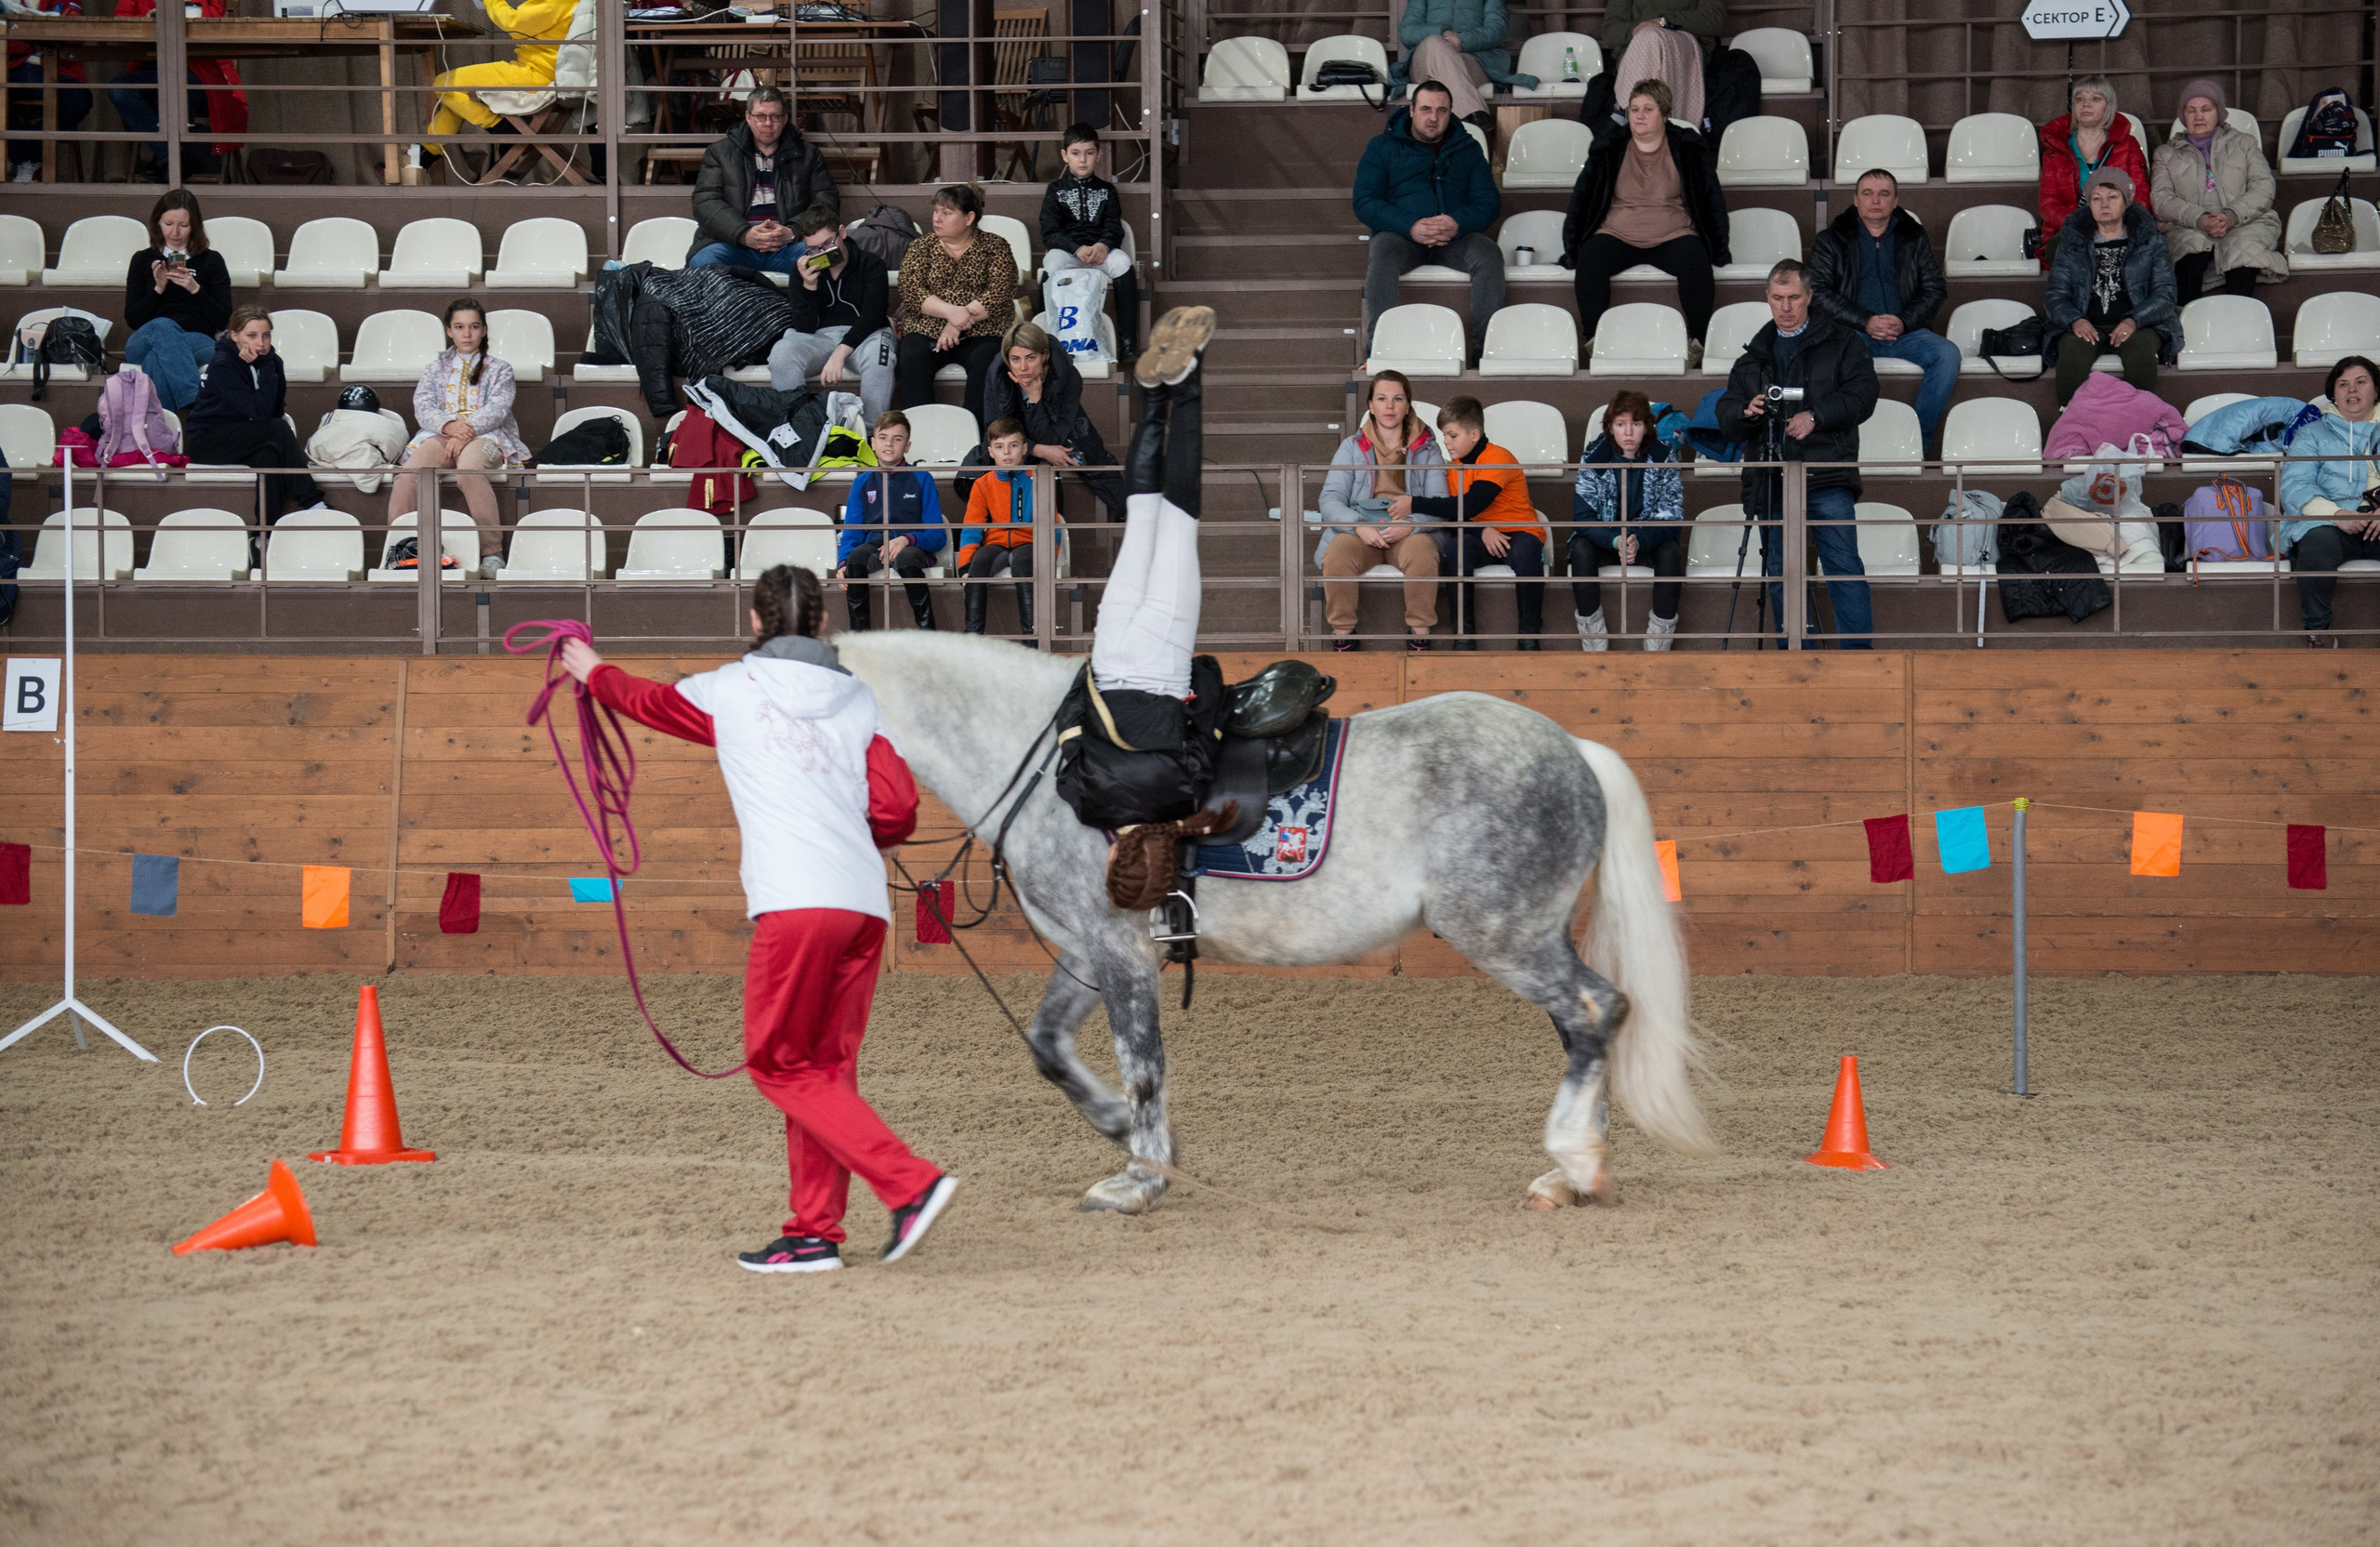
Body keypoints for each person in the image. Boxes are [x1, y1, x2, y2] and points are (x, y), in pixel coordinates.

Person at [556, 566, 959, 1275]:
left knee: (780, 1065)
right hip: (862, 906)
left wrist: (592, 671)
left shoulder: (727, 691)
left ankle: (909, 1183)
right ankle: (813, 1234)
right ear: (822, 624)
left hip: (796, 903)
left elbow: (649, 703)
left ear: (754, 621)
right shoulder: (863, 702)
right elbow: (897, 812)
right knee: (824, 1072)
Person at [1713, 259, 1879, 649]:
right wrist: (1745, 411)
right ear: (1767, 299)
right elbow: (1726, 414)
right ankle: (1798, 658)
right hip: (1770, 478)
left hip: (1827, 473)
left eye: (1793, 298)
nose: (1785, 307)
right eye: (1777, 298)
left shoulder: (1844, 342)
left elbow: (1864, 395)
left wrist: (1816, 416)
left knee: (1844, 567)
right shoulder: (1752, 356)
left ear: (1809, 297)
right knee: (1779, 570)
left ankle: (1861, 661)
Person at [1563, 78, 1729, 353]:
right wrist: (1572, 245)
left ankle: (1699, 341)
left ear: (1664, 114)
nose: (1639, 115)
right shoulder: (1609, 147)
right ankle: (1594, 338)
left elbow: (1712, 199)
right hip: (1617, 233)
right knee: (1590, 257)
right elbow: (1582, 197)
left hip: (1673, 233)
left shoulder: (1687, 147)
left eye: (1648, 109)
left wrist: (1720, 247)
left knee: (1696, 259)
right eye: (1634, 109)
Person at [1807, 168, 1957, 456]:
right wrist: (1866, 321)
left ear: (1895, 200)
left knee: (1947, 355)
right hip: (1852, 333)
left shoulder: (1913, 237)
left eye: (1883, 194)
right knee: (1830, 359)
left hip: (1905, 332)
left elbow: (1935, 289)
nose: (1875, 200)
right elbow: (1819, 294)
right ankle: (1845, 447)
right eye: (1867, 193)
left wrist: (1903, 322)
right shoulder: (1832, 239)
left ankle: (1918, 444)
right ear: (1855, 200)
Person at [1353, 80, 1503, 365]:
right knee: (1382, 250)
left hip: (1455, 240)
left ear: (1450, 113)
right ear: (1411, 110)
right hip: (1402, 238)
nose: (1433, 117)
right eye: (1425, 109)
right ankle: (1379, 346)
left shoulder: (1469, 149)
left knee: (1488, 253)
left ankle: (1484, 348)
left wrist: (1457, 223)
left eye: (1441, 110)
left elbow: (1489, 203)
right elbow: (1364, 202)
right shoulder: (1382, 147)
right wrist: (1411, 225)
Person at [1384, 396, 1545, 650]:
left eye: (1452, 435)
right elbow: (1452, 514)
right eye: (1444, 436)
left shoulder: (1498, 457)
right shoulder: (1454, 468)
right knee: (1456, 550)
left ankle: (1529, 636)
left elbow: (1471, 505)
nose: (1446, 442)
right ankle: (1463, 636)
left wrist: (1414, 504)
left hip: (1519, 531)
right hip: (1478, 534)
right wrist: (1483, 530)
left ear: (1474, 434)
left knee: (1528, 552)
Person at [388, 297, 529, 578]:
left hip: (486, 434)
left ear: (484, 330)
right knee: (408, 476)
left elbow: (497, 410)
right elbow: (424, 408)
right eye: (460, 327)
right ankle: (396, 550)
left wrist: (466, 431)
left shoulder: (500, 368)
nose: (467, 333)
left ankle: (492, 552)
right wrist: (451, 427)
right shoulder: (434, 368)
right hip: (442, 433)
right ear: (449, 331)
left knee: (469, 469)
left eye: (474, 327)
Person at [1317, 370, 1448, 651]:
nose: (1389, 406)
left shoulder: (1428, 449)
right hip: (1363, 532)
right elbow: (1330, 500)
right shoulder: (1351, 447)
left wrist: (1410, 524)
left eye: (1397, 399)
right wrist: (1358, 526)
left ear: (1407, 406)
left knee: (1422, 553)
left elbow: (1440, 503)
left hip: (1409, 531)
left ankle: (1420, 634)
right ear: (1371, 406)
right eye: (1382, 399)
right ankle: (1343, 636)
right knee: (1338, 553)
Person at [184, 306, 328, 530]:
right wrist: (264, 369)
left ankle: (264, 534)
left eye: (266, 335)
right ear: (234, 336)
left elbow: (274, 410)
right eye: (251, 336)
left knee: (268, 456)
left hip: (244, 435)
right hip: (208, 440)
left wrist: (265, 368)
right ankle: (313, 502)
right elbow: (261, 414)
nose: (260, 343)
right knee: (278, 429)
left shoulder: (272, 361)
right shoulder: (223, 364)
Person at [2044, 166, 2179, 406]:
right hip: (2086, 322)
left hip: (2138, 323)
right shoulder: (2072, 242)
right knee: (2072, 356)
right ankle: (2073, 423)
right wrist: (2076, 320)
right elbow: (2056, 296)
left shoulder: (2150, 241)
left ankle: (2136, 423)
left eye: (2112, 197)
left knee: (2140, 355)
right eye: (2096, 199)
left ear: (2126, 202)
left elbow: (2165, 295)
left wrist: (2133, 320)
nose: (2104, 205)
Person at [1570, 390, 1686, 651]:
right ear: (1610, 428)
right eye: (1621, 424)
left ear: (1647, 426)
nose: (1629, 432)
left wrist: (1639, 541)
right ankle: (1593, 639)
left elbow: (1672, 515)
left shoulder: (1662, 456)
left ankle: (1659, 641)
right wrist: (1615, 539)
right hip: (1606, 540)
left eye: (1636, 423)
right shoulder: (1594, 457)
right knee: (1580, 548)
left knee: (1670, 552)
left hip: (1644, 542)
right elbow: (1582, 517)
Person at [2278, 356, 2380, 647]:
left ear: (2375, 389)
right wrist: (2337, 513)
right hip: (2330, 519)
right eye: (2343, 385)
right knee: (2315, 548)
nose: (2352, 391)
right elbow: (2295, 485)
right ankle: (2319, 634)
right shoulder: (2312, 434)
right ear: (2333, 393)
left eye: (2361, 382)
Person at [893, 183, 1015, 425]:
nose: (937, 219)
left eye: (946, 213)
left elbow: (1000, 292)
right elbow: (910, 290)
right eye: (936, 211)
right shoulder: (921, 247)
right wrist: (952, 313)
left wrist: (957, 324)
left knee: (987, 359)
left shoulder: (995, 246)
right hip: (926, 330)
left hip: (983, 331)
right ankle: (921, 433)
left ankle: (974, 437)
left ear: (969, 217)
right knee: (912, 356)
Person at [2153, 79, 2285, 302]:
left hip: (2245, 220)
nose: (2198, 116)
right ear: (2182, 116)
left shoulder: (2244, 143)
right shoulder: (2165, 153)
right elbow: (2161, 199)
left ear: (2219, 113)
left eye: (2206, 109)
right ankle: (2187, 324)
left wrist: (2231, 216)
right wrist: (2200, 219)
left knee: (2242, 249)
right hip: (2188, 224)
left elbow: (2263, 186)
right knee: (2189, 249)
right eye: (2191, 110)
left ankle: (2239, 320)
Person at [981, 320, 1124, 521]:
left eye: (1030, 358)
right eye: (1015, 359)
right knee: (999, 457)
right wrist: (1037, 449)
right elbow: (994, 431)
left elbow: (1053, 436)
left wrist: (1034, 398)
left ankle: (1129, 514)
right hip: (1011, 436)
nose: (1023, 367)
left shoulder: (1066, 376)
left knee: (1089, 455)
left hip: (1056, 429)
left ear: (1044, 356)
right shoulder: (997, 376)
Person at [766, 204, 895, 425]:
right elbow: (803, 327)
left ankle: (872, 433)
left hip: (865, 335)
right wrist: (808, 286)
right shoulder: (802, 269)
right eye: (813, 249)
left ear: (842, 233)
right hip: (819, 337)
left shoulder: (871, 264)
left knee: (880, 358)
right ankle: (799, 427)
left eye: (828, 243)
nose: (823, 252)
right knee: (781, 354)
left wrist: (840, 354)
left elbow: (872, 317)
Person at [690, 86, 839, 275]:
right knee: (703, 262)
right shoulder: (720, 153)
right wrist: (743, 234)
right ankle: (730, 306)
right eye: (760, 116)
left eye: (775, 117)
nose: (768, 123)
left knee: (829, 258)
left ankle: (808, 306)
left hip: (790, 247)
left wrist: (792, 232)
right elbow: (705, 202)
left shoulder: (808, 155)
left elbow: (826, 203)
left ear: (784, 119)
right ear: (748, 117)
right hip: (733, 246)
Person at [418, 0, 574, 170]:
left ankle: (504, 130)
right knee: (457, 97)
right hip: (540, 70)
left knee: (444, 83)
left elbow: (514, 23)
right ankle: (425, 154)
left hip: (538, 74)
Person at [834, 411, 947, 632]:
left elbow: (937, 536)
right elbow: (852, 533)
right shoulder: (863, 482)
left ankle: (929, 637)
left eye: (897, 439)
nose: (889, 444)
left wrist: (906, 539)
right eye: (883, 438)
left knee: (906, 558)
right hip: (874, 547)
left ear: (907, 446)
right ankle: (861, 640)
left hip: (912, 548)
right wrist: (843, 563)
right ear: (873, 443)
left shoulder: (922, 478)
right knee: (856, 557)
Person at [107, 0, 244, 184]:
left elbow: (216, 17)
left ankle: (169, 160)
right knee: (120, 89)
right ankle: (172, 155)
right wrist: (147, 20)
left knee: (178, 87)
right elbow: (121, 21)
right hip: (152, 68)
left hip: (200, 71)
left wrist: (181, 16)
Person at [120, 189, 231, 414]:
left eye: (184, 225)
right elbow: (133, 319)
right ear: (157, 223)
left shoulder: (212, 260)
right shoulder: (142, 260)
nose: (175, 233)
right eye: (169, 223)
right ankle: (193, 399)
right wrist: (158, 289)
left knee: (158, 361)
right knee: (163, 325)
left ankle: (163, 436)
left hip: (197, 340)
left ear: (195, 226)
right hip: (146, 338)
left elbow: (223, 319)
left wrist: (194, 288)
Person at [1039, 123, 1141, 363]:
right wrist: (1077, 249)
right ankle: (1044, 335)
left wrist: (1103, 246)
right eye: (1075, 153)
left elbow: (1114, 227)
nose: (1082, 160)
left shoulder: (1108, 190)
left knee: (1124, 263)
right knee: (1051, 265)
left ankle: (1128, 341)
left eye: (1089, 153)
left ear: (1099, 155)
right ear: (1065, 156)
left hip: (1101, 251)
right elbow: (1049, 231)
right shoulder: (1055, 190)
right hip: (1069, 252)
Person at [953, 417, 1055, 638]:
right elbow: (972, 526)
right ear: (991, 452)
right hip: (996, 543)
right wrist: (964, 567)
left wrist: (1050, 559)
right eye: (1000, 447)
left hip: (1028, 543)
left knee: (1023, 566)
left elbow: (1052, 526)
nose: (1007, 453)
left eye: (1013, 445)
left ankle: (1032, 639)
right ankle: (972, 638)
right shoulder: (983, 484)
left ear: (1024, 449)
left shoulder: (1037, 480)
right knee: (977, 566)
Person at [2037, 74, 2148, 267]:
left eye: (2095, 99)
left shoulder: (2128, 145)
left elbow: (2141, 196)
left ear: (2109, 106)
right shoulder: (2055, 151)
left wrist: (2113, 224)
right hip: (2071, 231)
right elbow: (2048, 204)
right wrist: (2081, 222)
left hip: (2119, 228)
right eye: (2080, 99)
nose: (2086, 105)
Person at [1393, 0, 1537, 131]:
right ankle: (1476, 115)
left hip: (1475, 60)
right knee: (1434, 43)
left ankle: (1463, 132)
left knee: (1446, 70)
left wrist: (1461, 41)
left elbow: (1497, 30)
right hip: (1425, 61)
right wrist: (1442, 34)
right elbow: (1407, 32)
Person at [6, 1, 89, 184]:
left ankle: (24, 155)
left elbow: (75, 34)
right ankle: (23, 157)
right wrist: (42, 37)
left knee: (79, 100)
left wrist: (27, 36)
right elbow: (9, 44)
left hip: (59, 71)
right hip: (13, 69)